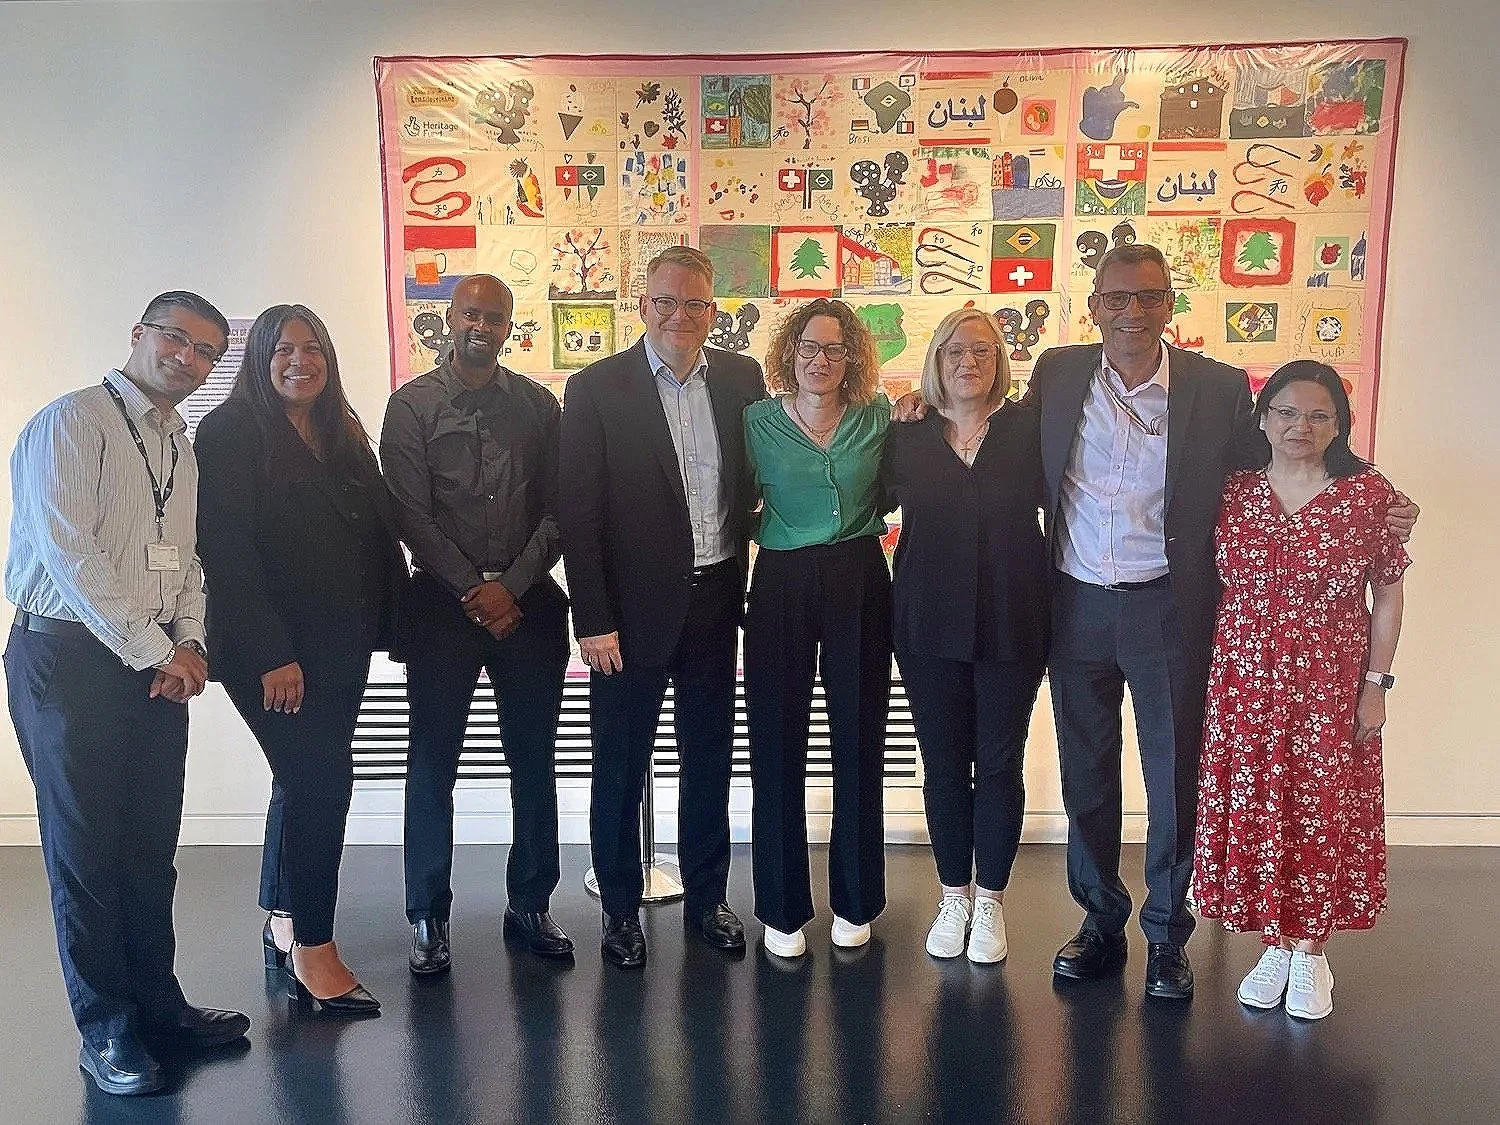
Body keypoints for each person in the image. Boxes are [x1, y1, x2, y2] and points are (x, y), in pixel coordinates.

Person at [1025, 243, 1417, 1000]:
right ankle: (1100, 921)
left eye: (1148, 297)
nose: (1132, 313)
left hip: (1168, 606)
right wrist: (919, 411)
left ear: (1170, 305)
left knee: (1176, 776)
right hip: (1075, 603)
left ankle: (1167, 934)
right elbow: (1001, 437)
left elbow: (1290, 453)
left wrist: (1381, 495)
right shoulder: (1059, 373)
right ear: (1094, 306)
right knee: (1087, 773)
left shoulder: (1216, 386)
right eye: (1116, 298)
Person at [4, 292, 249, 1095]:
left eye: (207, 351)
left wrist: (191, 642)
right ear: (139, 334)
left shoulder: (178, 443)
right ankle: (106, 1027)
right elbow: (70, 555)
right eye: (177, 338)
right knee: (86, 854)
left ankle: (159, 1005)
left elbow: (187, 559)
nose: (189, 358)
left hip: (155, 662)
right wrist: (158, 650)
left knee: (148, 847)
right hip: (68, 660)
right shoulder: (71, 422)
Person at [196, 305, 407, 1016]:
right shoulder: (229, 433)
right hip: (273, 653)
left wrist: (399, 622)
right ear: (258, 358)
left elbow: (378, 532)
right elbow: (225, 552)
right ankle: (313, 945)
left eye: (312, 348)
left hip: (342, 645)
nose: (299, 361)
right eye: (282, 349)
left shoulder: (341, 430)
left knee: (302, 777)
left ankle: (282, 918)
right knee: (321, 782)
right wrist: (270, 653)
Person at [558, 245, 764, 968]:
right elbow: (577, 513)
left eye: (695, 304)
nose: (681, 315)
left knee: (709, 761)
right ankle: (620, 909)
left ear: (713, 310)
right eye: (666, 302)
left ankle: (709, 899)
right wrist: (592, 619)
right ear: (643, 305)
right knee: (619, 765)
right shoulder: (596, 388)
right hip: (626, 616)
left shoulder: (741, 379)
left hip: (716, 601)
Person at [1193, 361, 1407, 1020]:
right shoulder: (1231, 490)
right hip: (1244, 683)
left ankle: (1311, 950)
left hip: (1329, 685)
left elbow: (1389, 593)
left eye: (1318, 415)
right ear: (1262, 418)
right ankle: (1274, 944)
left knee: (1320, 808)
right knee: (1260, 806)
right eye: (1286, 412)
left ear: (1339, 425)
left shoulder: (1368, 496)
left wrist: (1376, 684)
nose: (1300, 426)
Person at [381, 274, 573, 972]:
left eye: (494, 318)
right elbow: (409, 514)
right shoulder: (411, 406)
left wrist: (510, 587)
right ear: (450, 319)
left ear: (509, 326)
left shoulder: (538, 406)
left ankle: (531, 904)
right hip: (441, 606)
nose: (481, 328)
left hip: (529, 605)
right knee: (432, 764)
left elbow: (561, 507)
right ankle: (427, 914)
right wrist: (473, 588)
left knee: (534, 762)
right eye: (471, 315)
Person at [882, 308, 1048, 963]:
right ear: (937, 359)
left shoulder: (1029, 428)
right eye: (955, 350)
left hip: (1015, 618)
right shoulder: (907, 431)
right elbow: (870, 502)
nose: (969, 361)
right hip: (927, 621)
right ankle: (954, 894)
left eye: (982, 350)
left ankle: (991, 902)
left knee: (1000, 763)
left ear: (999, 361)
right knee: (945, 763)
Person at [743, 298, 892, 958]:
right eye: (810, 346)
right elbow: (729, 495)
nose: (821, 359)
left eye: (835, 348)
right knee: (776, 742)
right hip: (780, 579)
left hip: (859, 574)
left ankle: (856, 899)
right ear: (789, 352)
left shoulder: (878, 416)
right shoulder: (755, 421)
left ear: (851, 357)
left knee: (859, 738)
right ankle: (781, 906)